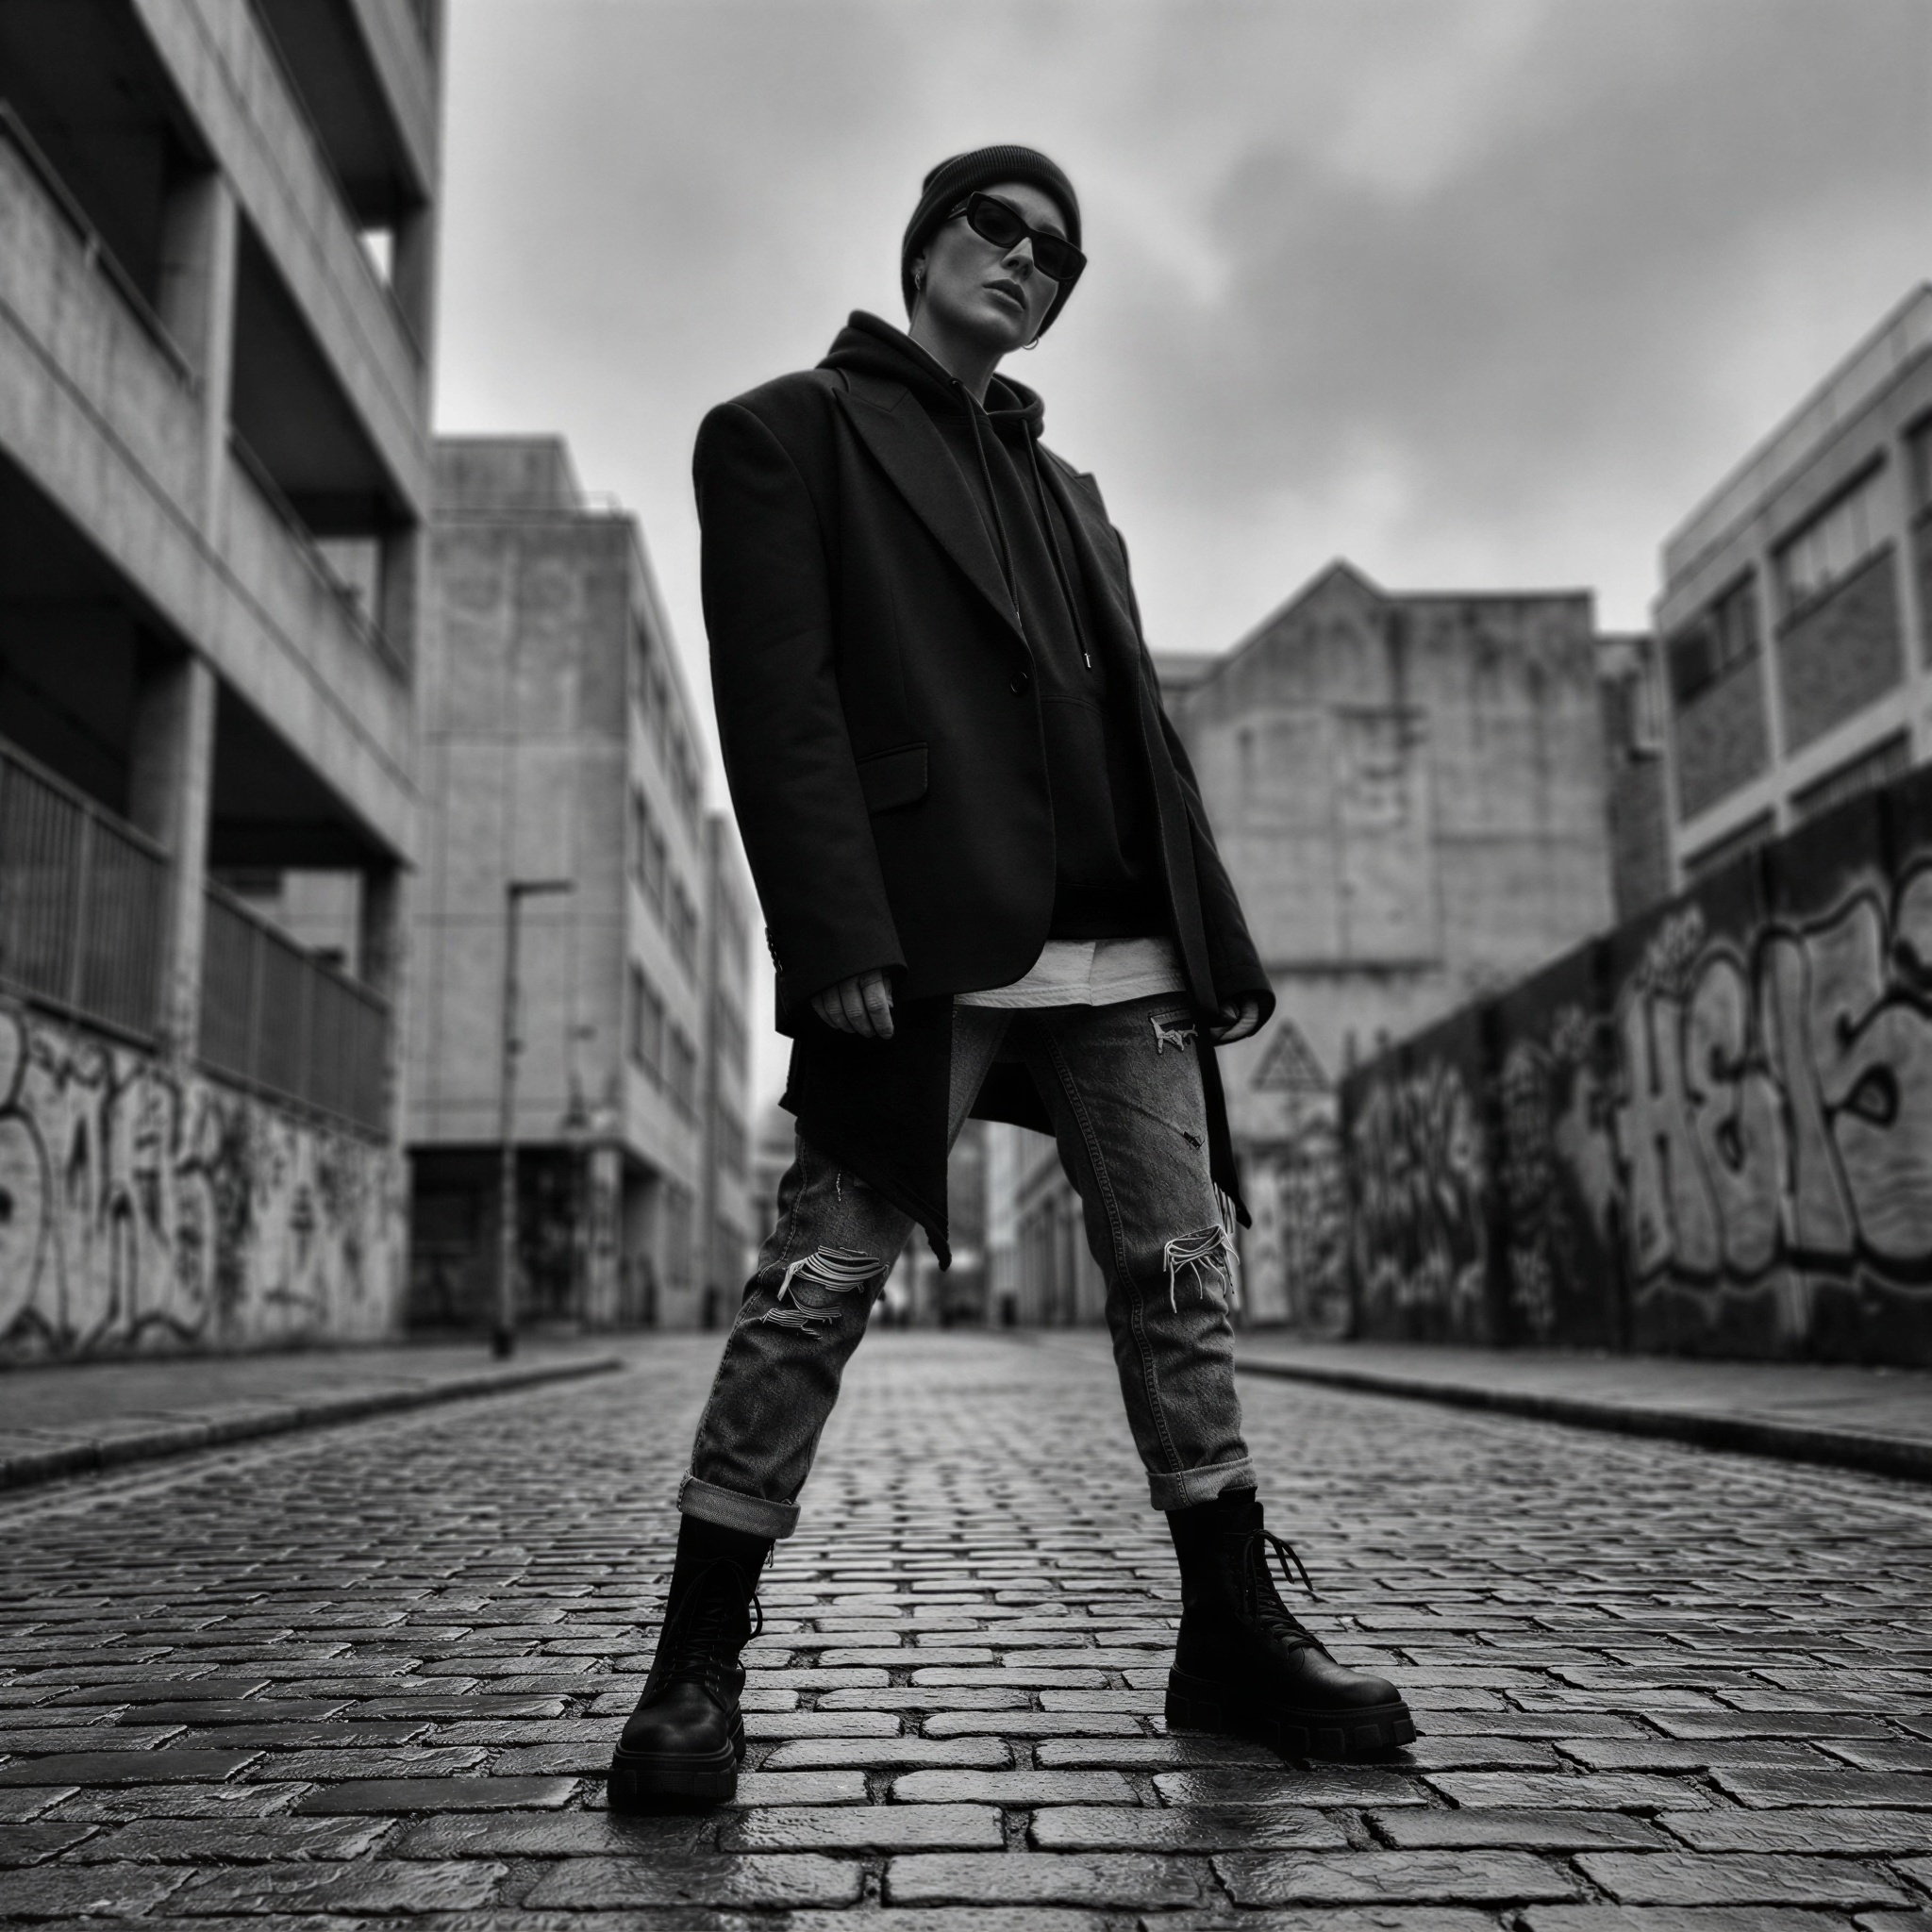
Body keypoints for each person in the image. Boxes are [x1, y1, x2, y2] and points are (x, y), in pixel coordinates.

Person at [608, 146, 1414, 1810]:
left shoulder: (1075, 494)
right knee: (820, 1281)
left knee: (1182, 1276)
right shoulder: (787, 433)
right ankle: (693, 1665)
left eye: (1059, 253)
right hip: (922, 942)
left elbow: (1142, 732)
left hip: (1122, 951)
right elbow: (779, 706)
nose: (1027, 259)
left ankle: (1231, 1630)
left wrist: (1215, 936)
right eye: (997, 225)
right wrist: (832, 934)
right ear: (923, 245)